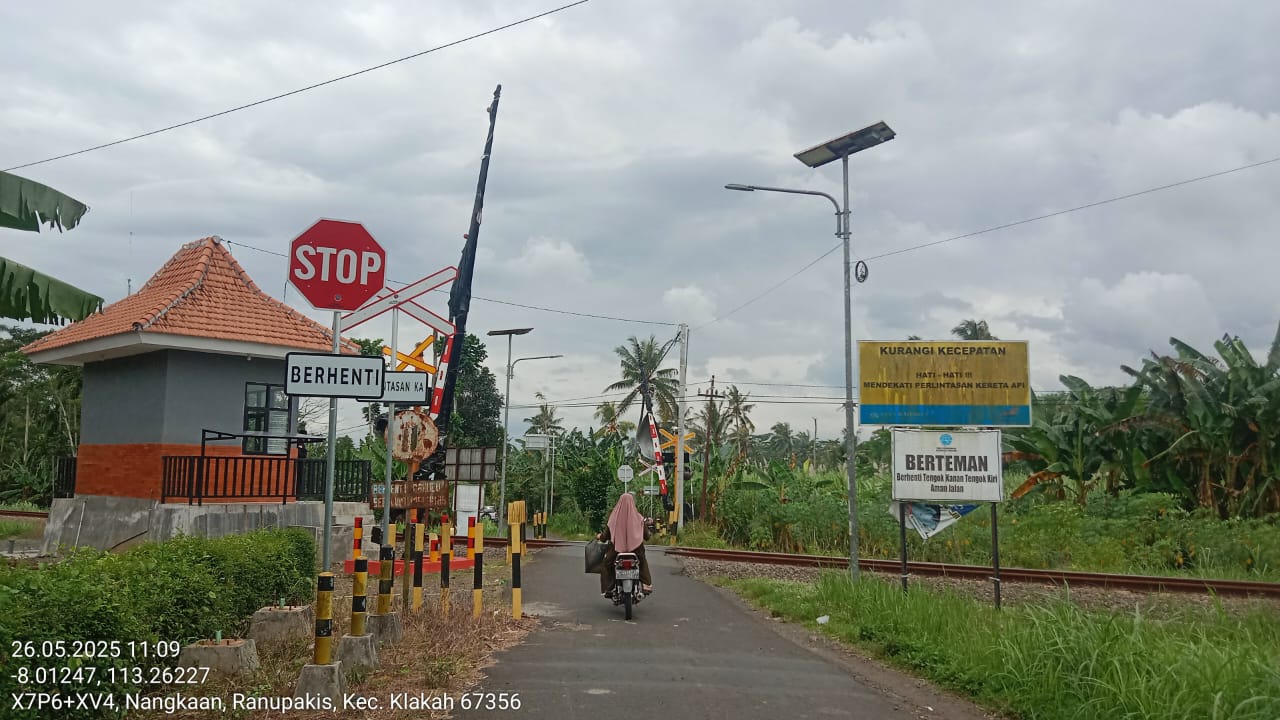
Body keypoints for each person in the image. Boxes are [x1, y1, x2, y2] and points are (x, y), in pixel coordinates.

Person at [596, 492, 653, 595]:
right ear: (633, 503)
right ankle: (646, 585)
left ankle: (608, 588)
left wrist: (600, 536)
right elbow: (647, 537)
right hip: (636, 550)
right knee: (642, 562)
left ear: (619, 503)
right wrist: (649, 534)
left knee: (606, 564)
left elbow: (605, 537)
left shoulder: (613, 519)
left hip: (616, 550)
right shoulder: (639, 519)